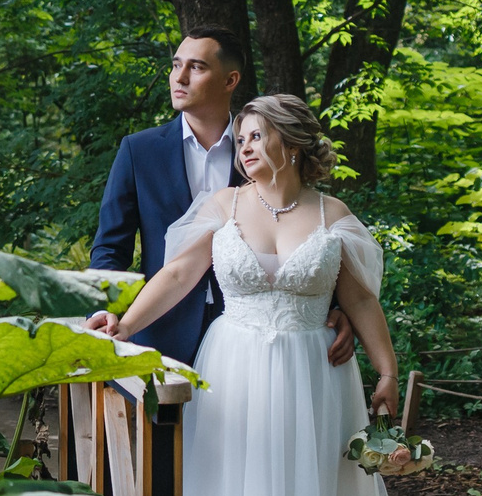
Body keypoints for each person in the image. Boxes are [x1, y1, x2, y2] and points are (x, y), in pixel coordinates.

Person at [90, 95, 482, 496]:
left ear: (291, 145)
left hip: (314, 379)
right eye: (240, 137)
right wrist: (124, 326)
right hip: (235, 370)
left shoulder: (334, 215)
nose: (242, 148)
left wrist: (387, 369)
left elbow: (360, 301)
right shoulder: (224, 207)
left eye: (254, 137)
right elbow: (174, 278)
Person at [91, 29, 352, 368]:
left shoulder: (266, 151)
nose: (179, 78)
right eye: (176, 65)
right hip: (160, 336)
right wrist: (105, 311)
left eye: (196, 67)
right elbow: (111, 248)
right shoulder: (139, 151)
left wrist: (333, 308)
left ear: (230, 80)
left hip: (259, 352)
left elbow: (303, 228)